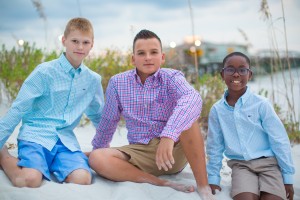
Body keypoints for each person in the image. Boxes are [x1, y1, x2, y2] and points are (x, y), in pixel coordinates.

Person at [88, 29, 214, 200]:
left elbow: (192, 98)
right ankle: (159, 182)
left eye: (153, 52)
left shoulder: (172, 77)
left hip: (173, 152)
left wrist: (168, 135)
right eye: (141, 53)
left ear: (162, 57)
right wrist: (98, 151)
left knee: (189, 119)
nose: (148, 57)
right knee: (97, 157)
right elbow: (108, 121)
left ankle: (203, 186)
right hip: (140, 155)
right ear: (133, 59)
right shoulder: (118, 83)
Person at [0, 17, 104, 187]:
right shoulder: (44, 72)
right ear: (64, 41)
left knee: (82, 179)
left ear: (92, 44)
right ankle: (3, 155)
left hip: (65, 141)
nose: (80, 47)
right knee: (29, 180)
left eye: (85, 42)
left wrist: (104, 149)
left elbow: (98, 115)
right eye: (74, 41)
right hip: (36, 136)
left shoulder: (92, 80)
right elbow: (17, 109)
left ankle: (63, 160)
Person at [206, 52, 295, 200]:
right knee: (245, 198)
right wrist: (214, 179)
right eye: (230, 69)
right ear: (222, 74)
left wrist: (287, 177)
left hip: (269, 164)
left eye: (242, 70)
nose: (236, 74)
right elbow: (214, 146)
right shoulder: (217, 109)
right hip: (241, 166)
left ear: (250, 75)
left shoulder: (261, 104)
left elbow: (279, 139)